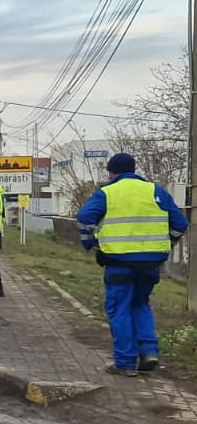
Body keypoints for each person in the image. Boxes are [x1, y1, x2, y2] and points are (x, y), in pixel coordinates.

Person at [75, 153, 189, 376]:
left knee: (119, 309)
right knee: (140, 304)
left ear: (111, 172)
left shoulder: (107, 192)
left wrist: (92, 244)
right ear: (134, 170)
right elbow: (180, 224)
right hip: (150, 263)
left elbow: (84, 218)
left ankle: (125, 362)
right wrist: (166, 243)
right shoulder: (155, 191)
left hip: (118, 262)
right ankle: (149, 353)